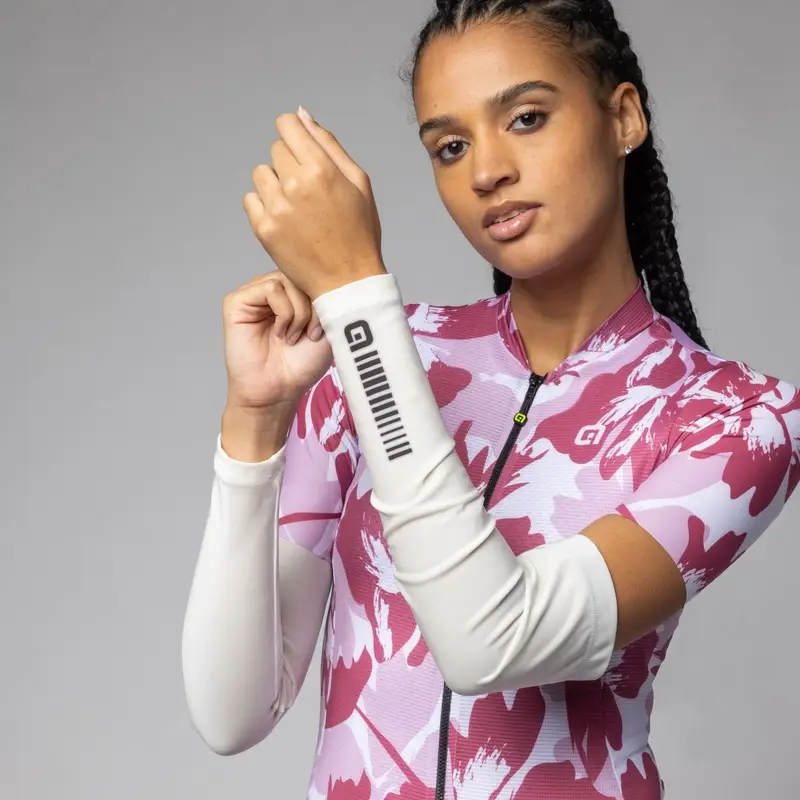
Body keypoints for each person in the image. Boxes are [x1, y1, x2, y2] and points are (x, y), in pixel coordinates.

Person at [181, 1, 800, 797]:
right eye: (451, 146)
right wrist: (255, 421)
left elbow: (494, 641)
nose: (486, 172)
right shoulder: (382, 358)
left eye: (527, 118)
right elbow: (232, 712)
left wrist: (355, 295)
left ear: (624, 117)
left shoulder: (740, 419)